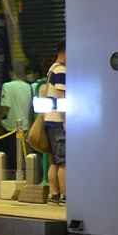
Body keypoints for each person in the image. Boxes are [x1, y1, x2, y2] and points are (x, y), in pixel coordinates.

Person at [0, 68, 34, 174]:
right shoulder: (29, 87)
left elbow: (6, 107)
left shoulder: (7, 86)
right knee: (25, 154)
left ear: (11, 73)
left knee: (12, 155)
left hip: (11, 128)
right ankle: (28, 177)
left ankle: (13, 176)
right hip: (25, 127)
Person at [45, 41, 67, 203]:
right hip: (59, 120)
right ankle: (66, 195)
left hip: (50, 119)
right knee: (64, 161)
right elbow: (61, 97)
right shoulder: (60, 70)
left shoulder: (52, 69)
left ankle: (54, 193)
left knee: (54, 160)